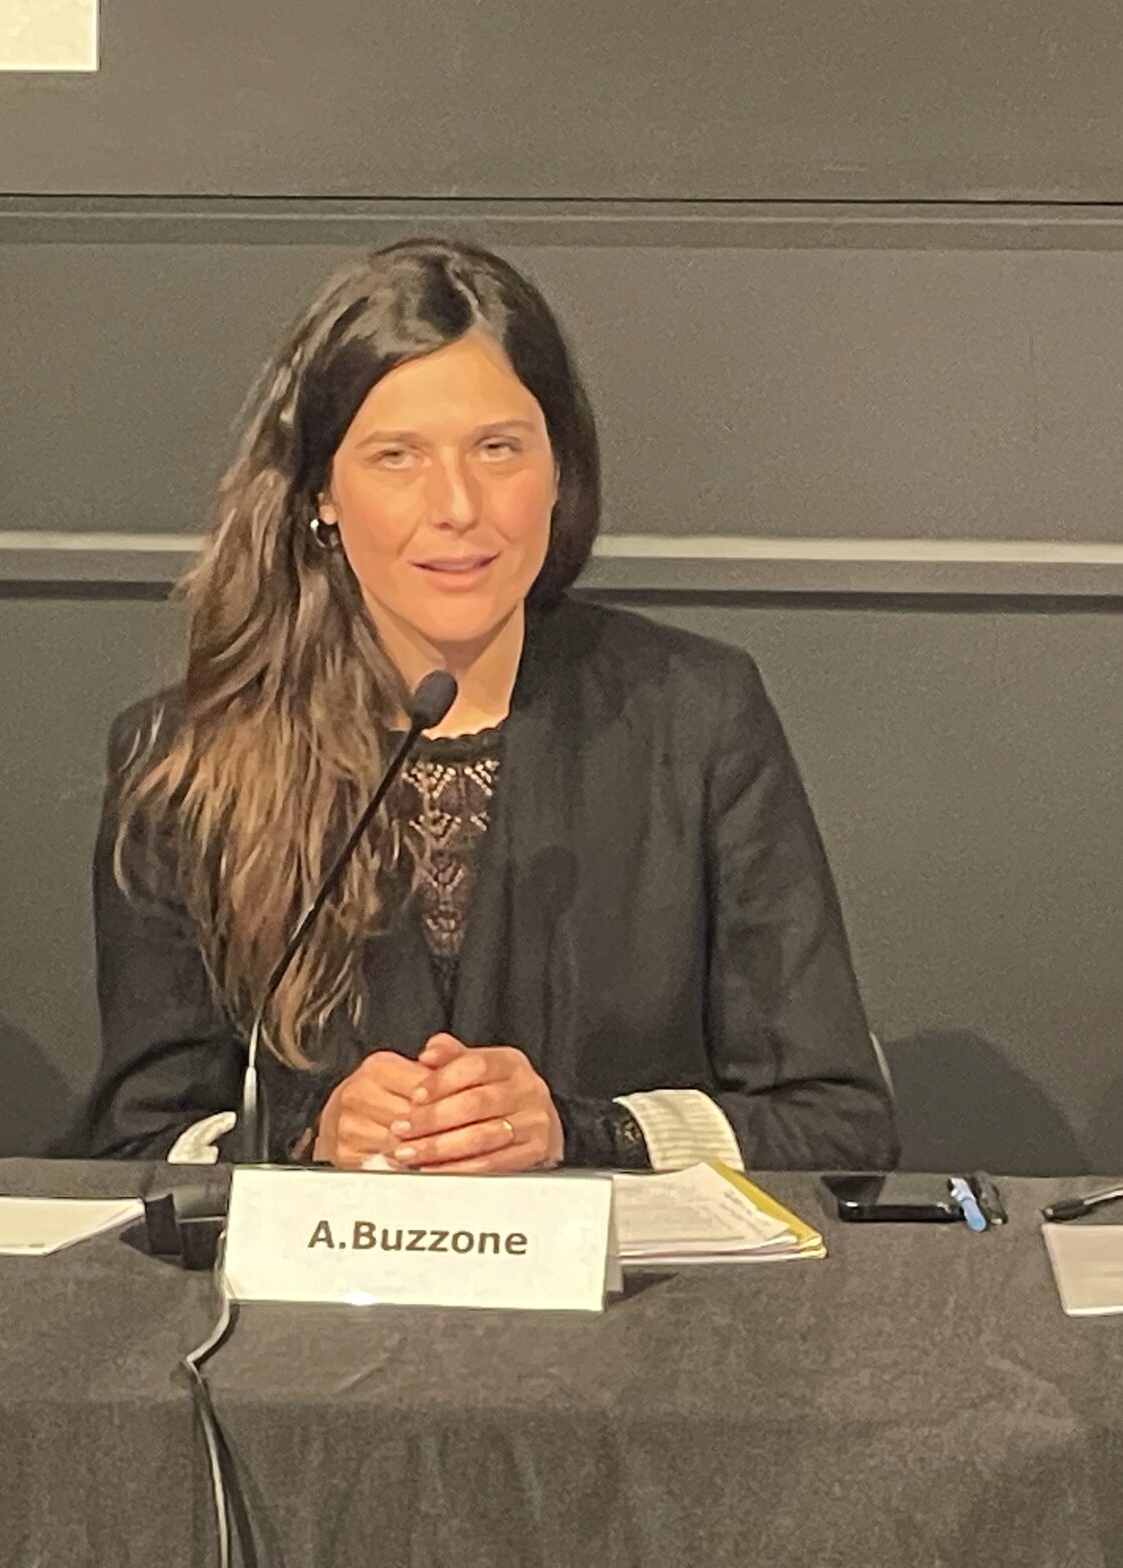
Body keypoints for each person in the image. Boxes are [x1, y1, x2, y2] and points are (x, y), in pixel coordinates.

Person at [80, 238, 898, 1172]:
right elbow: (137, 1146)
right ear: (321, 495)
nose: (458, 506)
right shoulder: (184, 761)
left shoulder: (696, 715)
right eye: (398, 457)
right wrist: (304, 1141)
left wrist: (585, 1133)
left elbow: (837, 1125)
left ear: (559, 472)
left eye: (498, 449)